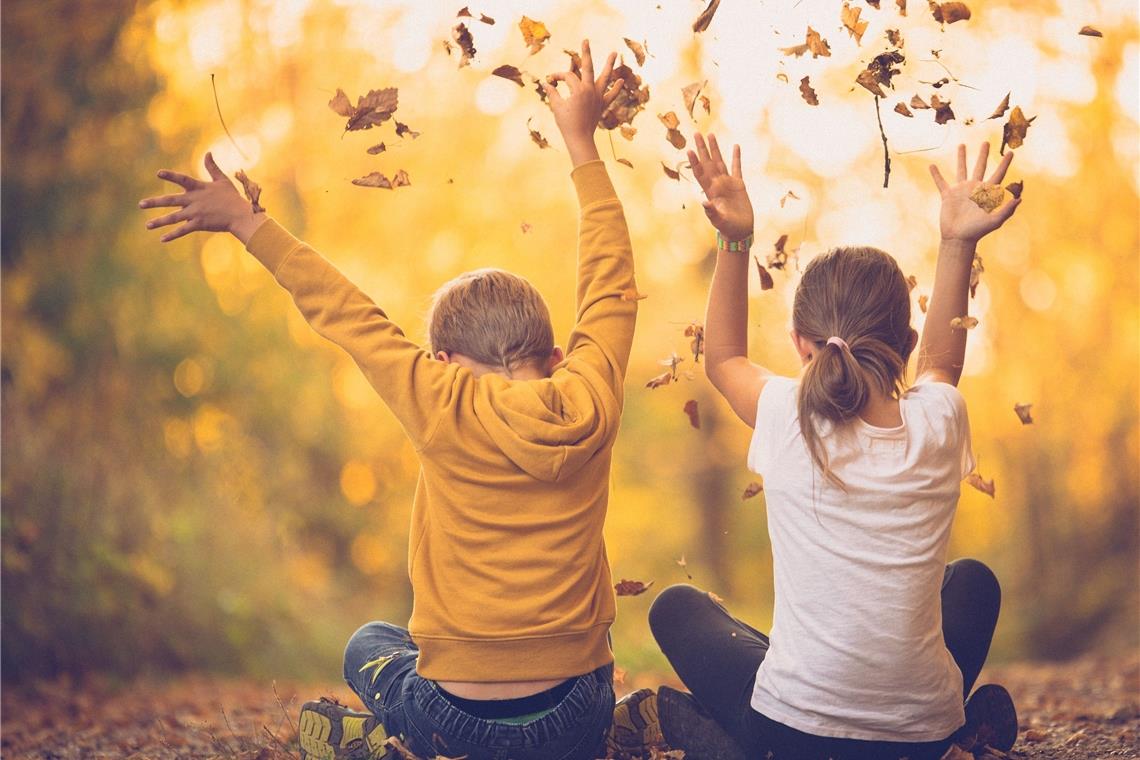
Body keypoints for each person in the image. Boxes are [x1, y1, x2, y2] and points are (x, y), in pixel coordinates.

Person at [140, 40, 638, 760]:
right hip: (577, 718)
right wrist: (580, 142)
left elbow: (348, 312)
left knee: (370, 645)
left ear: (444, 361)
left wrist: (249, 223)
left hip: (455, 716)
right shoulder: (591, 393)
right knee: (565, 674)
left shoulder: (434, 395)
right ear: (556, 355)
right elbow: (611, 282)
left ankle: (391, 740)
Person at [645, 136, 1023, 760]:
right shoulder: (938, 420)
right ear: (903, 340)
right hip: (919, 737)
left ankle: (739, 741)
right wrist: (958, 241)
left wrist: (736, 239)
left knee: (679, 608)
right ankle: (958, 726)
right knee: (974, 583)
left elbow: (723, 358)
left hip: (793, 734)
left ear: (799, 343)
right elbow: (943, 362)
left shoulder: (784, 414)